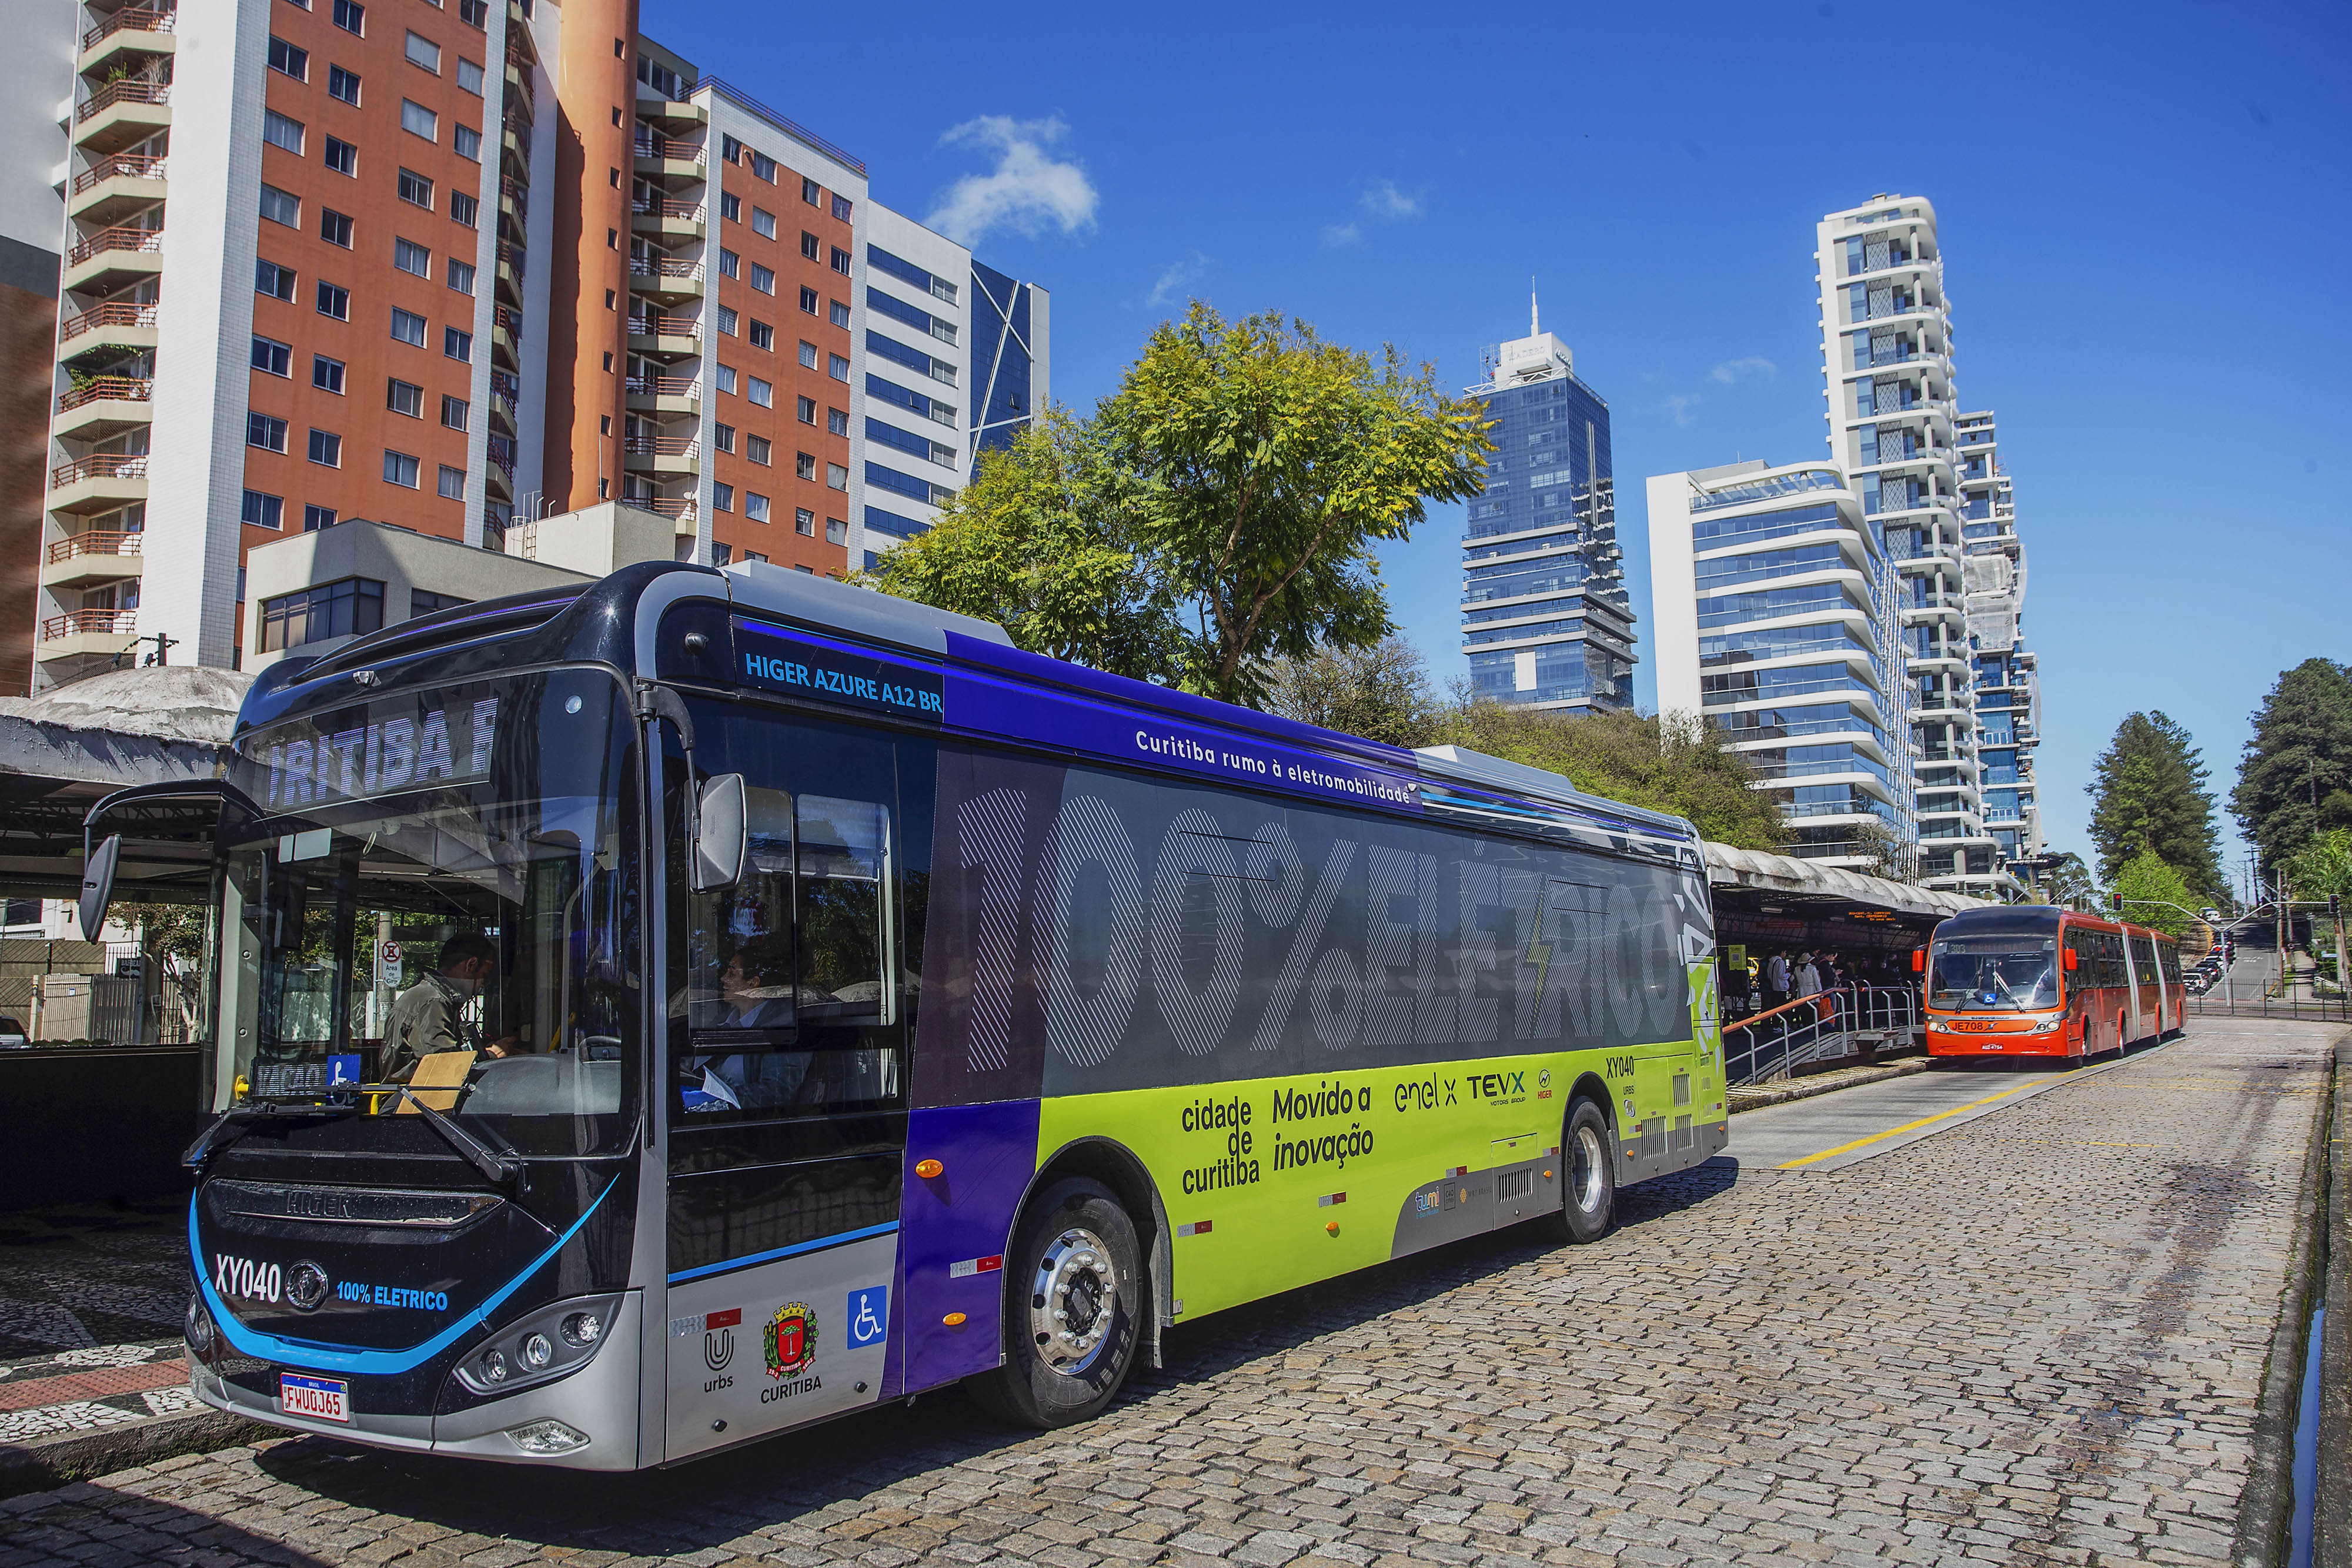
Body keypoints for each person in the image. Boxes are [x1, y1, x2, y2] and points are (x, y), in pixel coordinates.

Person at [680, 942, 807, 1112]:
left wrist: (721, 1102)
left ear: (752, 983)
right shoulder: (725, 1019)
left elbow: (776, 1091)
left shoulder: (781, 1026)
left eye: (731, 974)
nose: (723, 979)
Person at [379, 933, 517, 1082]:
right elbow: (443, 1064)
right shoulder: (433, 1001)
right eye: (485, 974)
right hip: (411, 1101)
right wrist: (491, 1055)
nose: (484, 983)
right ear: (471, 965)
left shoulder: (432, 996)